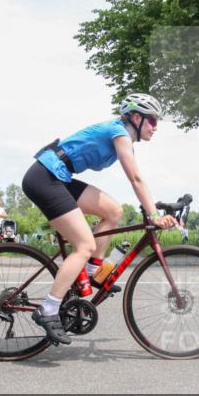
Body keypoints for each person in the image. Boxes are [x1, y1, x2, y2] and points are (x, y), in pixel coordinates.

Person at [21, 93, 177, 345]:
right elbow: (136, 179)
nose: (155, 126)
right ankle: (48, 309)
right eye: (152, 120)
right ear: (135, 118)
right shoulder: (119, 133)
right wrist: (154, 215)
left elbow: (137, 180)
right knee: (84, 245)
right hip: (44, 178)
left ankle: (93, 270)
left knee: (113, 211)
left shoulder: (124, 139)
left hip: (59, 176)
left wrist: (154, 207)